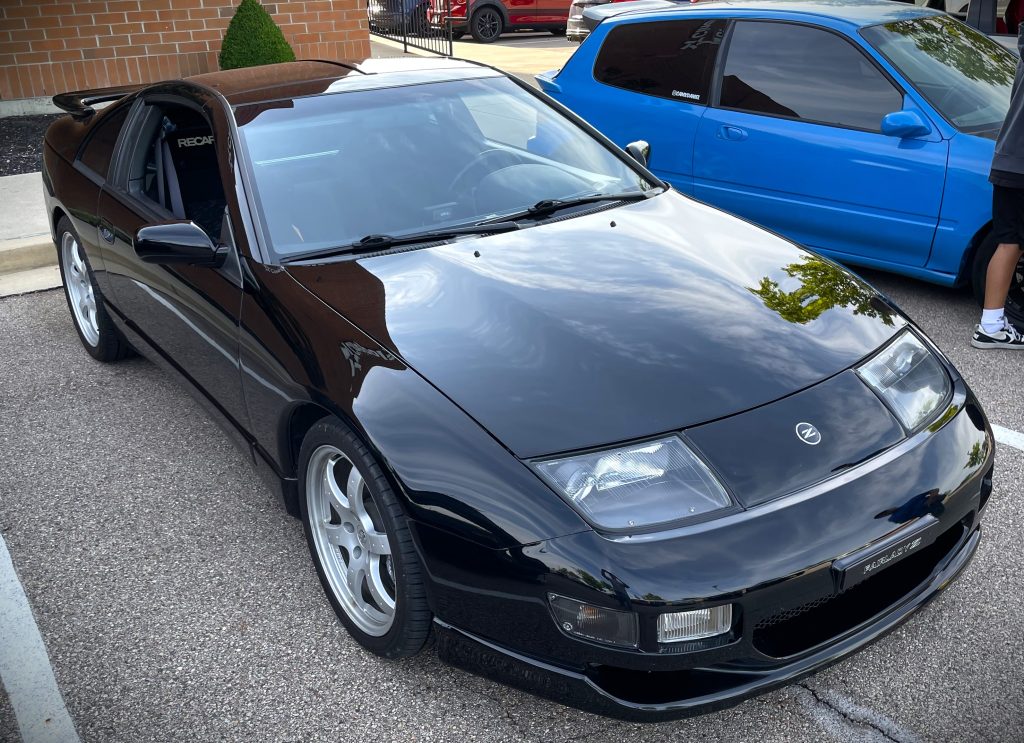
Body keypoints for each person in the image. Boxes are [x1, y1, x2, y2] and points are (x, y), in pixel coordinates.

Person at [974, 30, 1024, 349]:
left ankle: (991, 324)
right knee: (1010, 244)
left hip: (1009, 161)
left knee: (1009, 243)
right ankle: (990, 326)